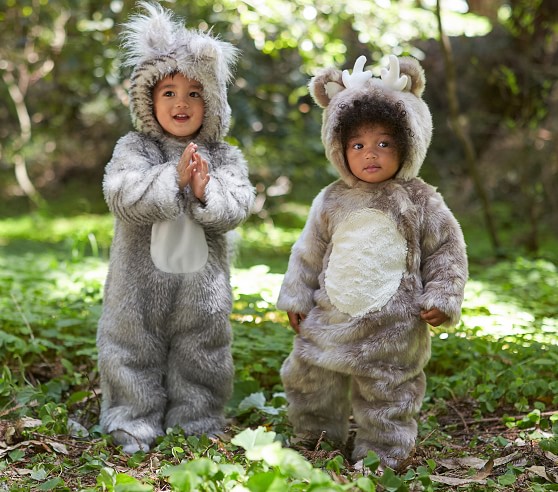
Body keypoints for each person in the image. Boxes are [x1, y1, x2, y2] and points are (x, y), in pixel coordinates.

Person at [276, 54, 468, 469]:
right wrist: (297, 297)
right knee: (309, 378)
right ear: (339, 148)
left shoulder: (420, 200)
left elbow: (447, 253)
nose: (371, 154)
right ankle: (314, 439)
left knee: (388, 392)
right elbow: (307, 253)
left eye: (384, 143)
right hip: (331, 319)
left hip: (394, 327)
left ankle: (384, 452)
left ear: (408, 143)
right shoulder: (330, 199)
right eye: (358, 145)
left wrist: (443, 295)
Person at [96, 2, 254, 454]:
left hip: (200, 285)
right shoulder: (135, 148)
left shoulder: (223, 156)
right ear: (149, 101)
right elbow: (121, 195)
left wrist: (205, 190)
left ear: (213, 103)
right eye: (168, 93)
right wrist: (174, 179)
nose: (181, 103)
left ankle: (197, 419)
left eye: (194, 93)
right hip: (137, 283)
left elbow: (239, 205)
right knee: (131, 346)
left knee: (202, 348)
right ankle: (131, 418)